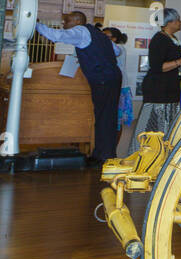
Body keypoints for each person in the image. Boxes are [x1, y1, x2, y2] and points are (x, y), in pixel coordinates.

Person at [34, 10, 122, 162]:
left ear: (76, 21)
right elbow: (117, 50)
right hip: (112, 77)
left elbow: (56, 36)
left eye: (67, 21)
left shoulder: (80, 31)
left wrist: (33, 24)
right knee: (106, 117)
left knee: (104, 117)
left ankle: (105, 156)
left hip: (102, 79)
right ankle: (101, 154)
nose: (64, 24)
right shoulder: (98, 33)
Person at [128, 8, 181, 150]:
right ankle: (139, 153)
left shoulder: (172, 39)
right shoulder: (159, 39)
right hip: (158, 89)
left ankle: (161, 152)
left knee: (166, 123)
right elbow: (157, 66)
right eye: (178, 20)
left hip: (169, 88)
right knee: (150, 124)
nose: (180, 23)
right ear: (170, 22)